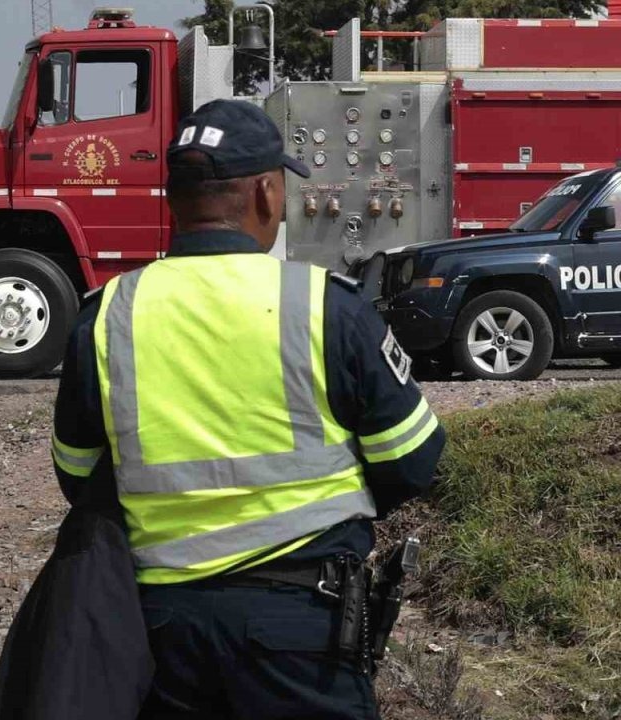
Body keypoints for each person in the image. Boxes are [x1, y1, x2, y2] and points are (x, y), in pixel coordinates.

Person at [50, 100, 446, 720]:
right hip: (302, 626)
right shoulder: (324, 305)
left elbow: (79, 477)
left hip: (160, 632)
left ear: (173, 200)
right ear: (266, 193)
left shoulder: (107, 315)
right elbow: (412, 460)